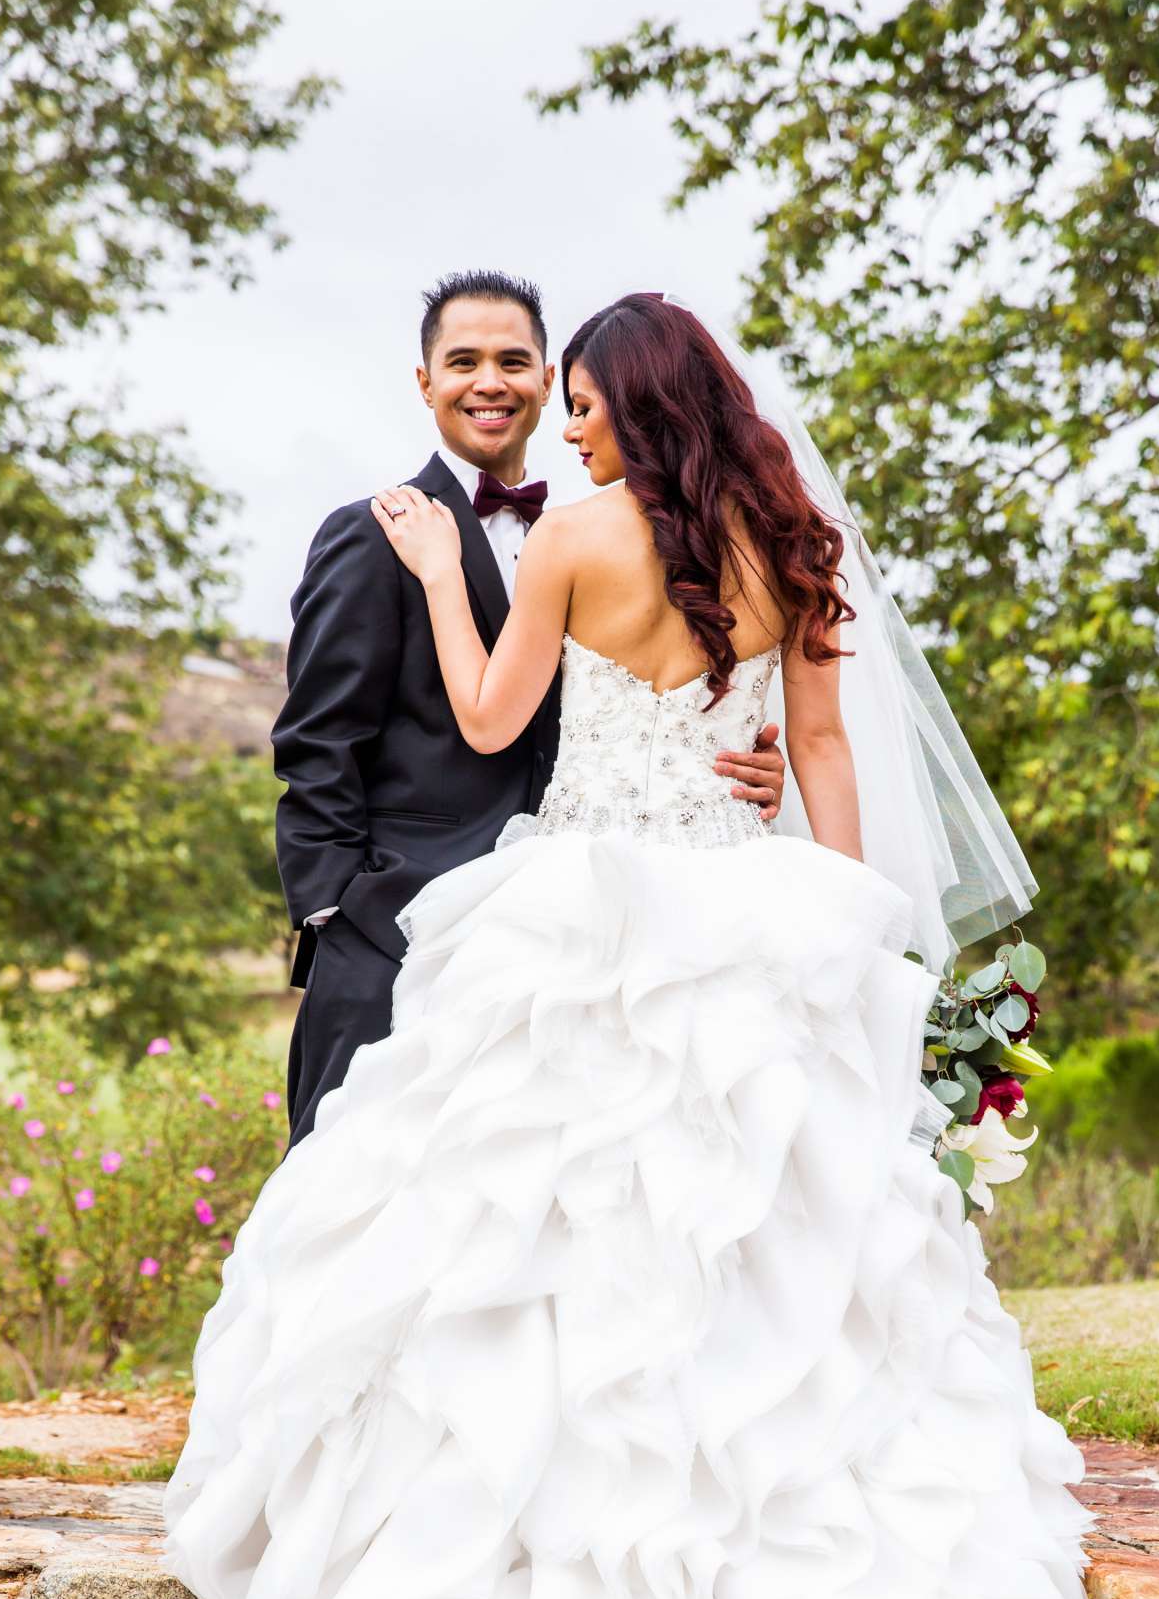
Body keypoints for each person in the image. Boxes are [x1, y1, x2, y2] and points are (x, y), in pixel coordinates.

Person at [164, 293, 1159, 1599]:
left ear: (626, 406)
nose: (560, 429)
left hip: (590, 915)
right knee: (757, 1251)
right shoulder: (789, 540)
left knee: (539, 1243)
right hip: (752, 907)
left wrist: (437, 575)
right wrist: (854, 933)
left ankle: (534, 1555)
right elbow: (828, 751)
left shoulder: (569, 538)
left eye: (576, 402)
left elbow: (495, 726)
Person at [272, 269, 785, 1147]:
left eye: (513, 360)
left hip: (585, 942)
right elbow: (317, 742)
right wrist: (339, 916)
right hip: (394, 937)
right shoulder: (373, 531)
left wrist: (737, 758)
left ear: (550, 380)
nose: (489, 381)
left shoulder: (605, 534)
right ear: (425, 381)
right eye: (462, 360)